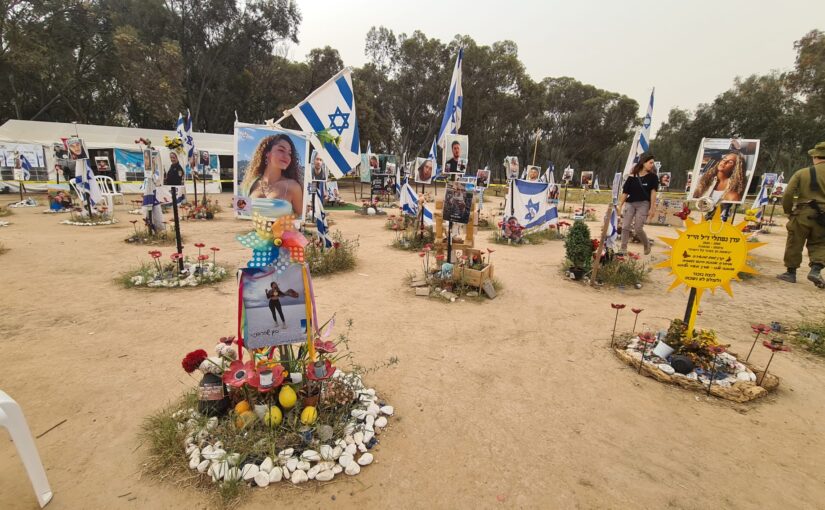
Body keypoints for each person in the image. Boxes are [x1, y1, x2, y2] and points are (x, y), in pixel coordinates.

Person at [776, 141, 825, 286]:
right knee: (821, 243)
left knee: (795, 242)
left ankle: (791, 273)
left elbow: (788, 194)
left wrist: (788, 211)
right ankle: (816, 270)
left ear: (815, 157)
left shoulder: (802, 173)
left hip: (803, 213)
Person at [240, 134, 304, 216]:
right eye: (281, 150)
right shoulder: (250, 184)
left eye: (289, 153)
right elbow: (242, 213)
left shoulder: (294, 187)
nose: (286, 156)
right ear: (267, 153)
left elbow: (300, 218)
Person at [617, 153, 658, 255]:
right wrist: (620, 205)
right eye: (650, 162)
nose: (652, 165)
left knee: (638, 228)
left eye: (653, 163)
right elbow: (625, 192)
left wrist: (652, 208)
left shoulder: (653, 177)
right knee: (625, 226)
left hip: (644, 204)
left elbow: (653, 193)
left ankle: (646, 243)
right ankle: (623, 249)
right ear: (643, 163)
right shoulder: (631, 177)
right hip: (630, 203)